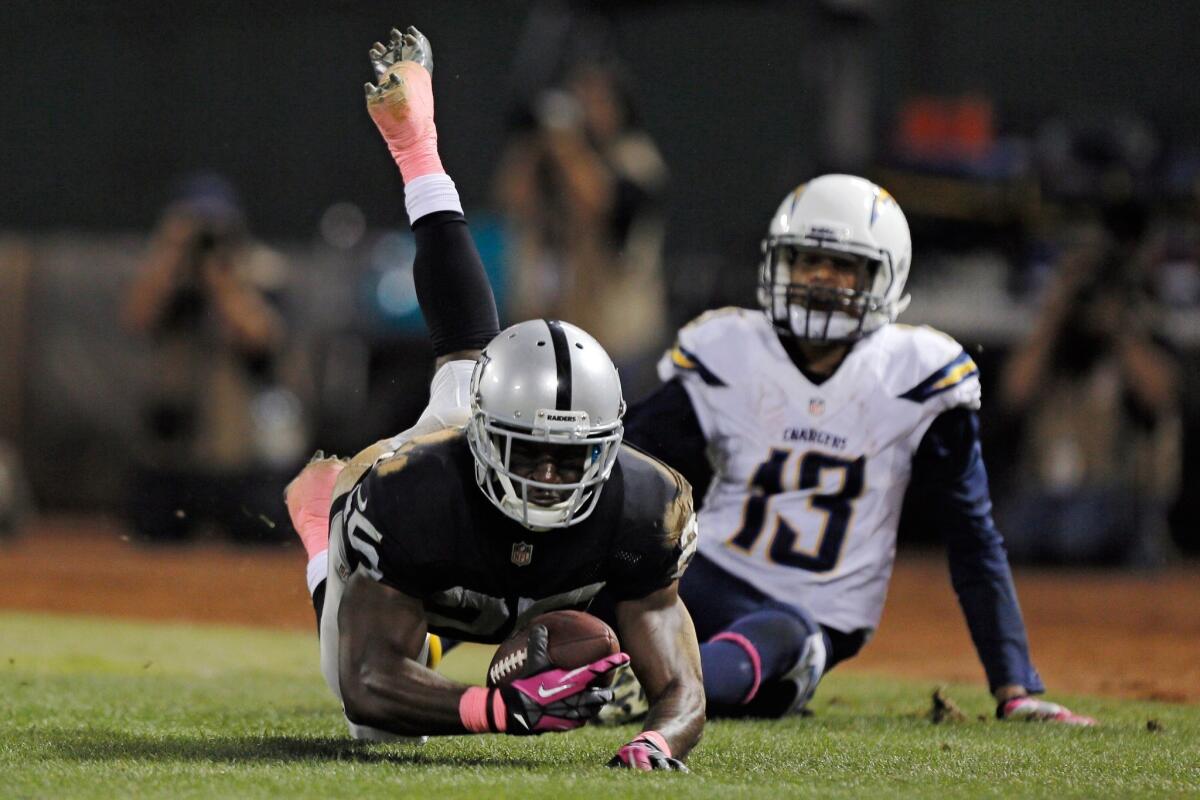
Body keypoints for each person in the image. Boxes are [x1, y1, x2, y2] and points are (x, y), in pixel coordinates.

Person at [285, 26, 704, 771]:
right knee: (378, 736)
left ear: (610, 447)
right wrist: (491, 709)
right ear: (482, 429)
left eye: (569, 458)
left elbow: (683, 691)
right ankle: (321, 533)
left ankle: (420, 151)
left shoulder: (643, 503)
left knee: (470, 344)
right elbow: (366, 684)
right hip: (466, 445)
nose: (547, 475)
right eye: (530, 454)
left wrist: (657, 738)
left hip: (595, 348)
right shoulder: (413, 491)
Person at [605, 175, 1095, 725]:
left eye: (843, 266)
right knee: (617, 573)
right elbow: (628, 472)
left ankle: (628, 692)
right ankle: (554, 677)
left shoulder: (914, 374)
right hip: (708, 577)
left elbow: (972, 535)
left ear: (885, 277)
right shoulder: (733, 350)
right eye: (806, 260)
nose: (820, 279)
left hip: (812, 616)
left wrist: (1014, 687)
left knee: (783, 636)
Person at [122, 174, 305, 543]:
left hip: (241, 449)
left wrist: (220, 279)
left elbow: (261, 338)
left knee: (262, 531)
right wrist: (172, 256)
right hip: (176, 449)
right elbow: (135, 320)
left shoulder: (261, 270)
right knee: (152, 529)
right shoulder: (165, 273)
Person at [999, 203, 1181, 566]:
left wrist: (1118, 324)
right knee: (1012, 534)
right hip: (1044, 494)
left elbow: (1160, 394)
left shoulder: (1141, 339)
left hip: (1112, 495)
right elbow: (1013, 393)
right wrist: (1057, 308)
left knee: (1075, 532)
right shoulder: (1055, 345)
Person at [494, 58, 668, 393]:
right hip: (554, 342)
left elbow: (598, 204)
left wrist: (564, 141)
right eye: (578, 98)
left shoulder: (636, 157)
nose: (584, 110)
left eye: (597, 100)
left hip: (621, 347)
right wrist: (533, 141)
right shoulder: (556, 158)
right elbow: (511, 199)